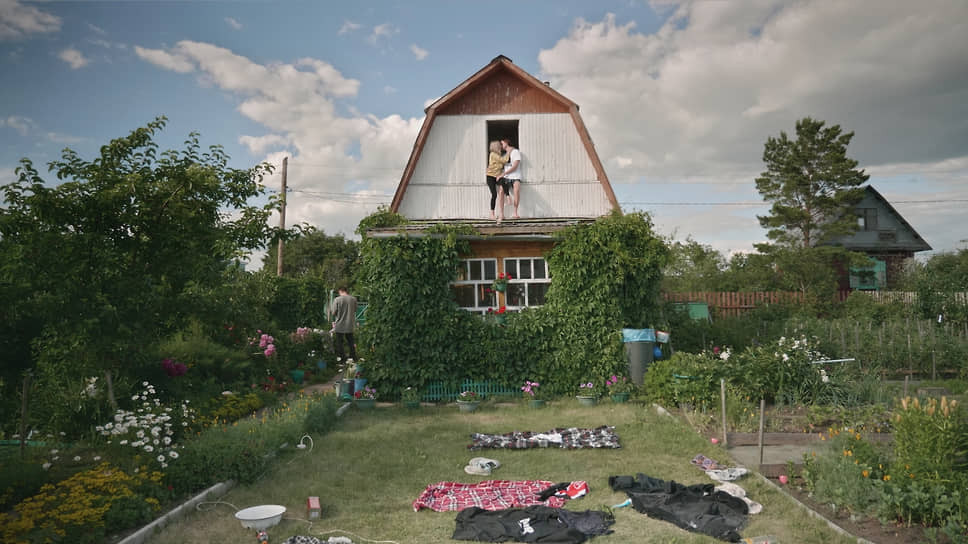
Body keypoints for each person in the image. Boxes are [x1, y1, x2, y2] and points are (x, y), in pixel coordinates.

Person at [330, 286, 358, 364]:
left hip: (340, 324)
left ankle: (342, 358)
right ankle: (353, 357)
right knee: (351, 341)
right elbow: (355, 310)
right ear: (346, 291)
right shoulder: (353, 299)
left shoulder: (337, 299)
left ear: (340, 291)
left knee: (340, 342)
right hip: (350, 324)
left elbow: (333, 312)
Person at [496, 138, 522, 219]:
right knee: (501, 191)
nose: (501, 145)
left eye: (502, 143)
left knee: (516, 190)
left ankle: (515, 212)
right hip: (506, 177)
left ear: (506, 142)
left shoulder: (515, 152)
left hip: (515, 176)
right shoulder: (503, 154)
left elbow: (515, 166)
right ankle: (501, 213)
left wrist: (503, 174)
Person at [485, 140, 507, 221]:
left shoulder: (498, 155)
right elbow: (504, 161)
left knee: (503, 186)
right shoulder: (493, 154)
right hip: (490, 176)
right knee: (494, 194)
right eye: (499, 145)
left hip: (497, 176)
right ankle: (492, 214)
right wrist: (509, 152)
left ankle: (501, 213)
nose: (501, 147)